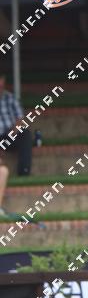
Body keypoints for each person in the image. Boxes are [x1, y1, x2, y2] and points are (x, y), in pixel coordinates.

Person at [0, 74, 23, 216]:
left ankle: (24, 171)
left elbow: (20, 120)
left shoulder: (10, 98)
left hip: (8, 134)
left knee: (3, 171)